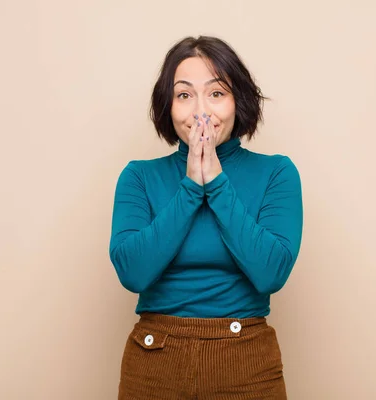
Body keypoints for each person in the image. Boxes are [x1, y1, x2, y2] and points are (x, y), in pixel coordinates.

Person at [109, 35, 303, 399]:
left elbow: (271, 273)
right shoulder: (138, 177)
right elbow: (132, 273)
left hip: (246, 361)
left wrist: (215, 182)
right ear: (168, 107)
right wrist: (189, 188)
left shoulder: (277, 173)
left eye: (216, 93)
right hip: (154, 361)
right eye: (184, 95)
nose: (201, 112)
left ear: (238, 101)